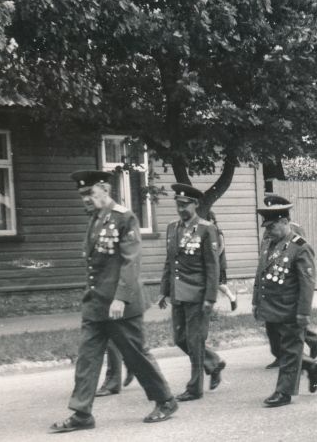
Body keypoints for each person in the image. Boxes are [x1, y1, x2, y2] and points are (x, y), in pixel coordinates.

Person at [50, 171, 177, 433]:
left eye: (89, 193)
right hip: (96, 304)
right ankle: (81, 412)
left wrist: (119, 298)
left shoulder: (124, 217)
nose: (85, 199)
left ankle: (165, 400)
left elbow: (131, 262)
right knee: (87, 358)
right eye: (81, 195)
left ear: (104, 189)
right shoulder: (95, 219)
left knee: (136, 354)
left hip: (121, 305)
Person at [158, 183, 225, 403]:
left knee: (195, 341)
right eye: (178, 204)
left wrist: (210, 297)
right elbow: (170, 261)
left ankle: (195, 388)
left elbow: (212, 266)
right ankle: (213, 363)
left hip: (197, 294)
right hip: (178, 292)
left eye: (185, 205)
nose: (180, 209)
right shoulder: (172, 227)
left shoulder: (207, 229)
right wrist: (164, 291)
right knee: (180, 338)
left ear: (195, 205)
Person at [253, 200, 317, 407]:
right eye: (266, 227)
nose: (268, 231)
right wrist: (256, 301)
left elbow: (307, 283)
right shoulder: (268, 244)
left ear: (284, 221)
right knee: (278, 350)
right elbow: (261, 274)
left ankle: (284, 392)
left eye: (272, 226)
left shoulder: (300, 247)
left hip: (290, 309)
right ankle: (310, 365)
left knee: (291, 351)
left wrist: (303, 313)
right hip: (270, 307)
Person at [260, 194, 317, 368]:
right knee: (278, 332)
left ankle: (310, 344)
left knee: (290, 331)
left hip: (287, 290)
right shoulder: (270, 230)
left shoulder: (294, 231)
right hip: (273, 290)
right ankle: (291, 359)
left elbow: (294, 253)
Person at [207, 211, 238, 312]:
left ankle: (232, 298)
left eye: (208, 220)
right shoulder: (207, 231)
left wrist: (214, 258)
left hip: (218, 262)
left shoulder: (218, 231)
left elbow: (221, 246)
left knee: (219, 284)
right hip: (209, 262)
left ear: (212, 220)